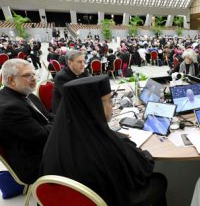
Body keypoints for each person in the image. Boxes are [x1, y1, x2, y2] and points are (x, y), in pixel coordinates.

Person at [41, 76, 167, 206]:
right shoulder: (105, 145)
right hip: (106, 200)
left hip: (65, 200)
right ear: (93, 105)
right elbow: (142, 169)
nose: (112, 106)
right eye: (109, 100)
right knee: (159, 180)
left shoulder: (56, 135)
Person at [0, 59, 54, 184]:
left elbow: (49, 116)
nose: (34, 78)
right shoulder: (9, 108)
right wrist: (60, 122)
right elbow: (42, 136)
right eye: (27, 75)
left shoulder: (26, 93)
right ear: (11, 80)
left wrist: (56, 121)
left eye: (34, 74)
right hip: (35, 164)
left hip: (43, 148)